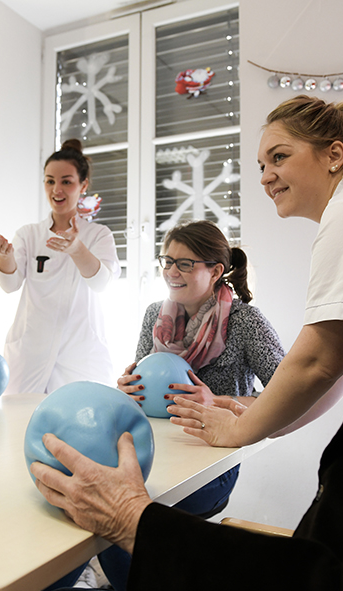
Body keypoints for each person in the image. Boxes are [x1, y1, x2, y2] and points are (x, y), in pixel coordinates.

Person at [31, 62, 343, 589]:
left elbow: (316, 363)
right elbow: (334, 372)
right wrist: (236, 410)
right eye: (166, 262)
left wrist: (236, 430)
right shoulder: (156, 314)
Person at [169, 95, 343, 448]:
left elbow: (319, 360)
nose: (266, 178)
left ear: (334, 155)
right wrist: (252, 416)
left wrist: (238, 430)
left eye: (279, 157)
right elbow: (338, 366)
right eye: (261, 166)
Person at [101, 219, 283, 589]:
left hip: (211, 465)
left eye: (184, 264)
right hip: (156, 450)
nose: (171, 271)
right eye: (167, 261)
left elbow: (286, 395)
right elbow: (144, 377)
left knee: (127, 513)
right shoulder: (155, 315)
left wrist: (219, 401)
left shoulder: (245, 321)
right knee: (107, 511)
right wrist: (128, 388)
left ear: (215, 271)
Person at [0, 139, 121, 395]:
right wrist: (4, 256)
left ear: (83, 185)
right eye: (50, 181)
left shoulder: (99, 235)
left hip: (80, 356)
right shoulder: (29, 234)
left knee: (80, 414)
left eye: (66, 182)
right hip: (30, 353)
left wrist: (77, 249)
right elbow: (9, 285)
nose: (56, 190)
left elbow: (101, 283)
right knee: (22, 417)